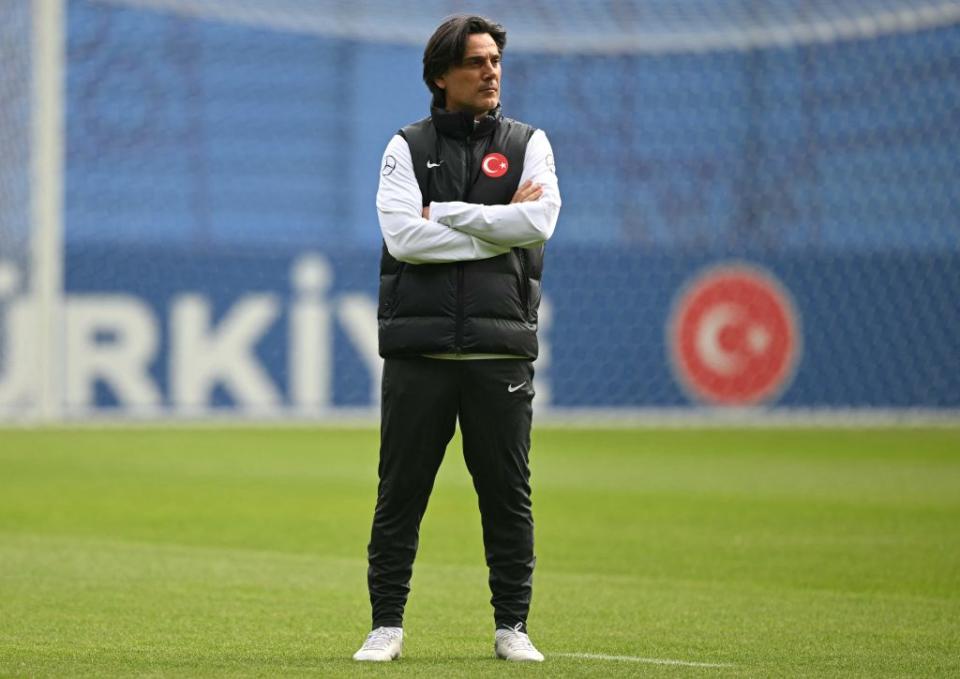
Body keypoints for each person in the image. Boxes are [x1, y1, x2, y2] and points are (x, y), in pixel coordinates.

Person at [353, 14, 561, 663]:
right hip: (421, 352)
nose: (490, 71)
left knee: (507, 494)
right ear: (441, 75)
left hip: (500, 350)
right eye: (475, 61)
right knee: (401, 493)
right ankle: (386, 624)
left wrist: (444, 212)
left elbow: (541, 221)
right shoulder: (405, 147)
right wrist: (502, 225)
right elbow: (401, 238)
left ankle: (512, 626)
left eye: (495, 59)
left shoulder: (529, 143)